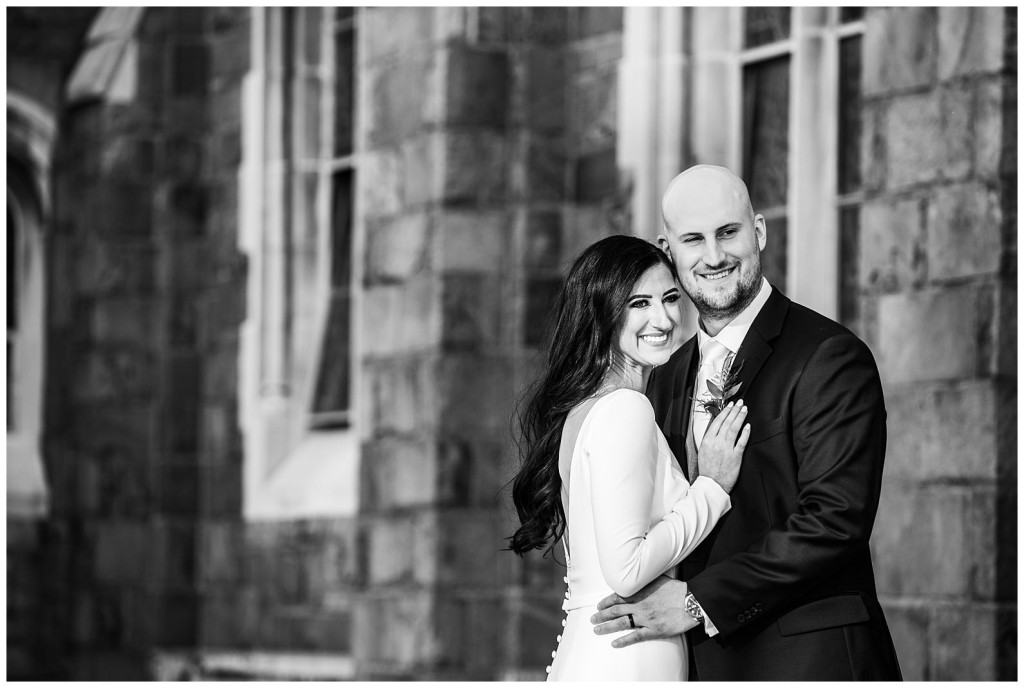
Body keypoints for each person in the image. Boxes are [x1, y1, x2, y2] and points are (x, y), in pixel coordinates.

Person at [590, 165, 902, 680]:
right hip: (698, 667)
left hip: (808, 661)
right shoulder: (665, 376)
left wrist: (695, 602)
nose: (713, 256)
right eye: (694, 240)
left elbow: (834, 522)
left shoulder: (828, 356)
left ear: (758, 231)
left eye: (728, 232)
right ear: (669, 250)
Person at [508, 235, 750, 681]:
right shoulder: (625, 408)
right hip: (626, 656)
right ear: (603, 313)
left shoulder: (589, 407)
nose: (663, 319)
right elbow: (627, 569)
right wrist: (711, 489)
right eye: (639, 303)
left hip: (605, 648)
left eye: (670, 298)